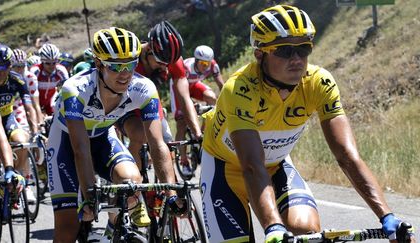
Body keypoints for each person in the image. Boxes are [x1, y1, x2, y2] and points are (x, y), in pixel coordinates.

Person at [200, 5, 415, 243]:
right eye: (284, 51)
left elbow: (347, 155)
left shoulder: (319, 83)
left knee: (306, 231)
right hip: (225, 169)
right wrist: (273, 227)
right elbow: (252, 166)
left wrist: (387, 216)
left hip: (276, 165)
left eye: (303, 49)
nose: (296, 59)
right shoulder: (239, 89)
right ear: (260, 54)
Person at [47, 27, 184, 243]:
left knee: (131, 181)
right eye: (116, 66)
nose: (125, 73)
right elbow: (80, 150)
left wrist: (171, 192)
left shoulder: (144, 88)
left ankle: (112, 227)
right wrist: (90, 196)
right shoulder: (75, 89)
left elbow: (157, 144)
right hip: (65, 142)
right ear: (99, 64)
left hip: (102, 136)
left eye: (130, 64)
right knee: (67, 227)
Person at [116, 20, 202, 174]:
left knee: (166, 143)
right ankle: (132, 183)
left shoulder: (172, 61)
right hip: (124, 103)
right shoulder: (130, 59)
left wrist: (197, 132)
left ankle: (171, 192)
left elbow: (184, 97)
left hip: (149, 102)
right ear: (148, 49)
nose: (165, 67)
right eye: (161, 62)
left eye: (168, 64)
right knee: (140, 135)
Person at [0, 44, 38, 204]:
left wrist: (35, 130)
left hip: (7, 118)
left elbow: (29, 108)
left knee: (23, 142)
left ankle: (19, 179)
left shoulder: (17, 79)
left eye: (5, 65)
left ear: (11, 65)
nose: (1, 70)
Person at [173, 44, 225, 172]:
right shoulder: (186, 67)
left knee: (212, 98)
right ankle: (184, 161)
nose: (205, 66)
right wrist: (190, 105)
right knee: (181, 122)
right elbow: (184, 95)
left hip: (194, 85)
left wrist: (226, 101)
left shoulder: (213, 65)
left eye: (207, 64)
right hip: (179, 88)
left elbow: (221, 85)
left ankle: (203, 133)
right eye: (202, 63)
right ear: (196, 60)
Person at [29, 43, 69, 116]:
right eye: (48, 63)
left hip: (50, 102)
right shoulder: (35, 71)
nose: (51, 66)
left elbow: (68, 91)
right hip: (34, 102)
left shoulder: (61, 70)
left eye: (54, 63)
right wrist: (39, 113)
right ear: (42, 61)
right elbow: (31, 94)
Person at [10, 48, 44, 127]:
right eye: (16, 66)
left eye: (22, 66)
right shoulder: (6, 77)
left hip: (21, 106)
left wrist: (41, 123)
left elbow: (35, 104)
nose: (20, 69)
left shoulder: (30, 77)